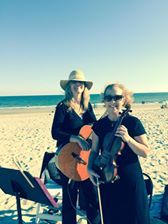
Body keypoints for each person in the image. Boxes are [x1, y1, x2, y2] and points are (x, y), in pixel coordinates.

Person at [88, 83, 151, 224]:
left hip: (130, 180)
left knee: (135, 218)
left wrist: (128, 139)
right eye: (108, 98)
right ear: (104, 101)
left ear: (124, 100)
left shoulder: (133, 123)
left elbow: (145, 152)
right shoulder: (99, 125)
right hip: (108, 178)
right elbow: (94, 150)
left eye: (117, 97)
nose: (112, 102)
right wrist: (89, 167)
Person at [51, 70, 100, 224]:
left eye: (81, 82)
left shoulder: (87, 106)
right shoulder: (63, 106)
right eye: (74, 82)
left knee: (91, 194)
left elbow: (95, 127)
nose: (77, 85)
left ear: (84, 86)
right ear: (69, 86)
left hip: (85, 156)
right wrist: (76, 138)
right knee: (70, 197)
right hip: (67, 156)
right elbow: (55, 132)